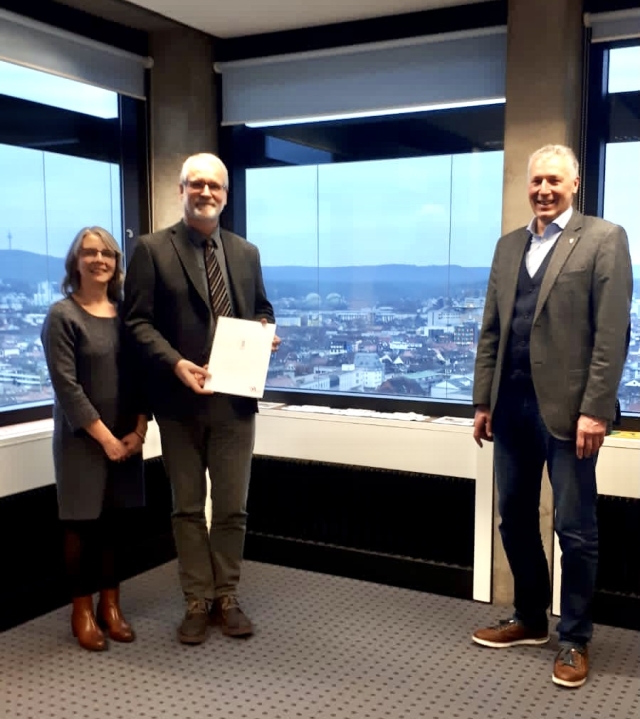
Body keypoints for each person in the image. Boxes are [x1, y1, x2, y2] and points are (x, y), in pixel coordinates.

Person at [471, 144, 632, 688]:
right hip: (510, 405)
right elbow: (492, 328)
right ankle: (531, 618)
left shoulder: (605, 239)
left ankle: (575, 638)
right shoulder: (508, 246)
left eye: (553, 181)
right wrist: (481, 401)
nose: (543, 189)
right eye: (536, 180)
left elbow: (612, 335)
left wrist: (594, 411)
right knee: (513, 517)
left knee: (574, 529)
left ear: (575, 183)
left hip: (570, 413)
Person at [122, 153, 279, 645]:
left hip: (234, 403)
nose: (206, 193)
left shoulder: (246, 252)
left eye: (215, 186)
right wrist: (175, 362)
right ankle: (197, 600)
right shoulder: (151, 249)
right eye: (197, 185)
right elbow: (135, 322)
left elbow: (261, 308)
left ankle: (226, 596)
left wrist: (264, 331)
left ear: (226, 195)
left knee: (233, 507)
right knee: (187, 507)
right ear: (182, 190)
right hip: (179, 401)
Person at [41, 227, 147, 652]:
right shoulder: (61, 316)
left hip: (127, 437)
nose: (99, 259)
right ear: (75, 262)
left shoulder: (128, 316)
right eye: (90, 253)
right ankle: (82, 611)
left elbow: (143, 378)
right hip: (83, 440)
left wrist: (138, 430)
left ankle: (112, 607)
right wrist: (107, 440)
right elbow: (67, 388)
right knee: (81, 526)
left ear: (116, 263)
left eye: (107, 253)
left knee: (114, 526)